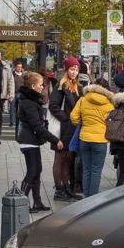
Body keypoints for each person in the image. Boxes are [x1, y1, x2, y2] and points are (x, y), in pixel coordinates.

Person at [15, 70, 61, 212]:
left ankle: (37, 202)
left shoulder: (31, 100)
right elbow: (36, 126)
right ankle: (21, 201)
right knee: (32, 171)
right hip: (29, 141)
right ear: (33, 86)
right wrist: (55, 140)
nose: (43, 87)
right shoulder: (29, 103)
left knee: (37, 170)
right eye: (41, 84)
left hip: (32, 140)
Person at [71, 79, 115, 197]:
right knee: (96, 171)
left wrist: (83, 123)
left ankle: (86, 196)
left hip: (84, 139)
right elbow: (112, 124)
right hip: (100, 140)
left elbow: (73, 117)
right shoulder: (109, 104)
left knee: (86, 169)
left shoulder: (82, 100)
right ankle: (93, 197)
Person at [48, 57, 81, 201]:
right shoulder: (61, 86)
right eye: (72, 69)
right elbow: (53, 105)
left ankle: (66, 187)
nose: (74, 72)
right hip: (63, 127)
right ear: (66, 70)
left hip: (72, 127)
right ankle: (59, 189)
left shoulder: (77, 86)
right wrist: (65, 118)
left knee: (68, 158)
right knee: (60, 157)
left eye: (76, 69)